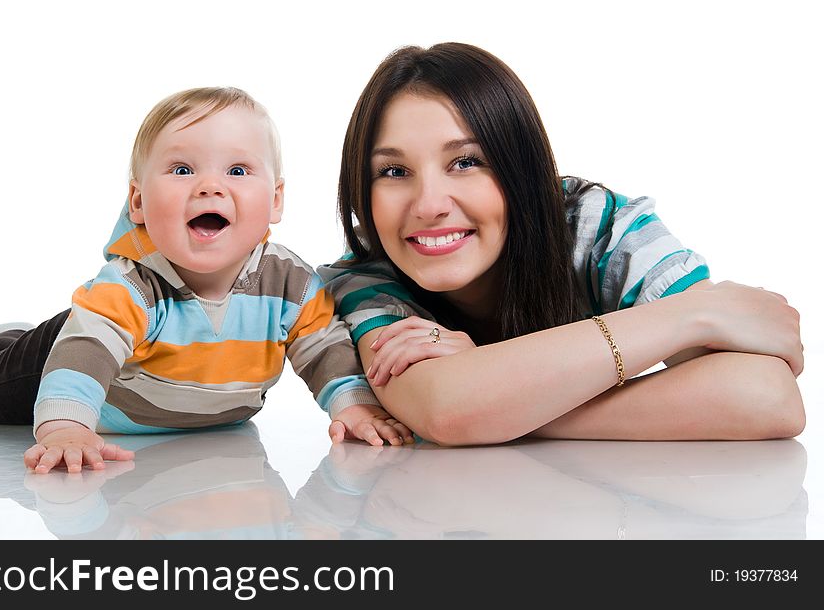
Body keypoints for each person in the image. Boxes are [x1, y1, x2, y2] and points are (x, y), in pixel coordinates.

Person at [321, 42, 805, 446]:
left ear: (523, 168)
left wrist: (498, 403)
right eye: (393, 172)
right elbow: (445, 410)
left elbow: (764, 395)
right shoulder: (365, 276)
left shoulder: (600, 227)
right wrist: (694, 314)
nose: (428, 205)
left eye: (466, 162)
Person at [0, 87, 413, 474]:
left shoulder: (289, 283)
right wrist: (67, 428)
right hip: (77, 354)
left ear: (276, 201)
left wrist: (353, 406)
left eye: (237, 171)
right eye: (182, 170)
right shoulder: (132, 287)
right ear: (138, 202)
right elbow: (84, 356)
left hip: (155, 378)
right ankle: (2, 340)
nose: (209, 186)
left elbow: (324, 349)